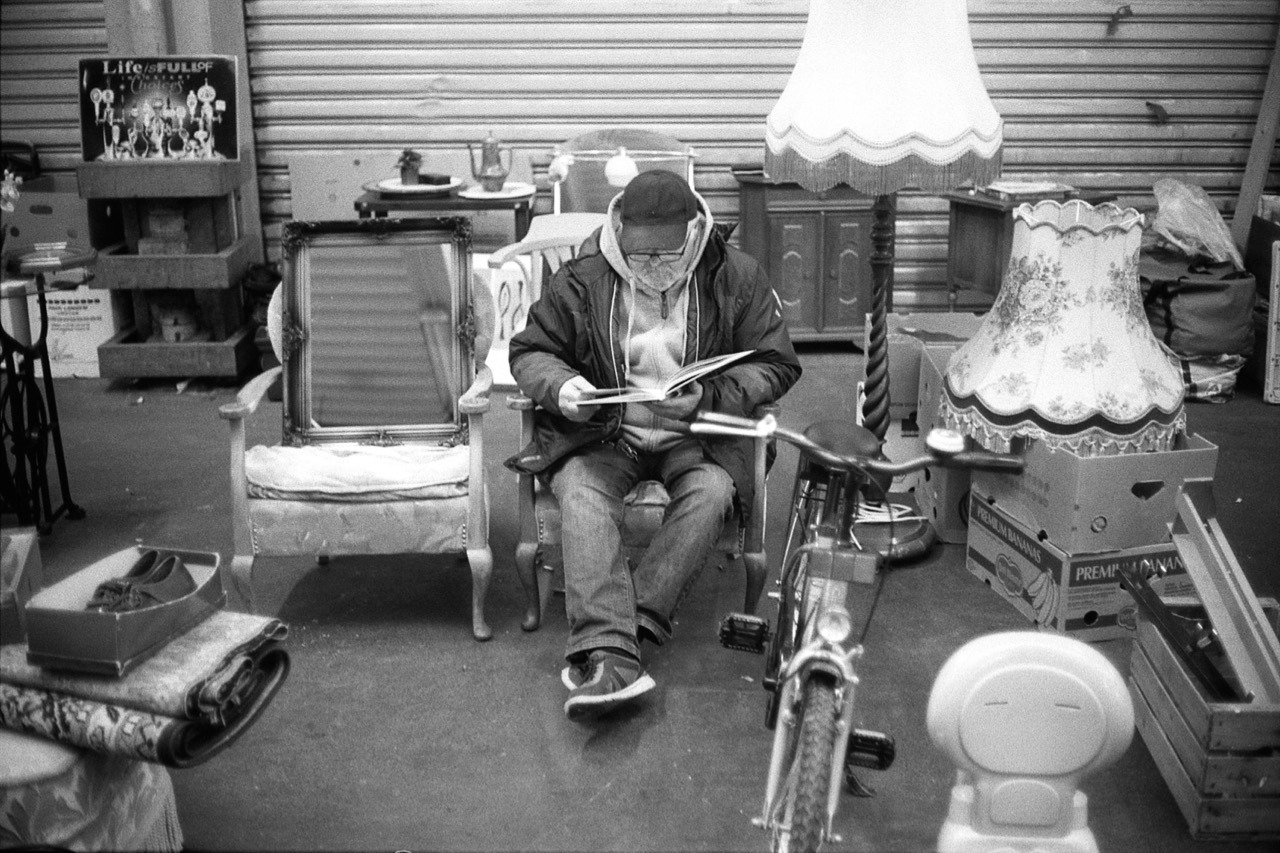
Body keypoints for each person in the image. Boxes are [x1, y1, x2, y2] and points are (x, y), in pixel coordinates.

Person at [507, 169, 802, 721]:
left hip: (697, 435)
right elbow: (529, 352)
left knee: (714, 492)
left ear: (695, 233)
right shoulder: (582, 277)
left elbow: (777, 364)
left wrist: (708, 399)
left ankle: (616, 642)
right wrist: (563, 388)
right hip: (606, 432)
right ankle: (621, 645)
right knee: (579, 490)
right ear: (618, 228)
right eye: (639, 257)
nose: (652, 269)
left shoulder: (736, 277)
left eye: (667, 256)